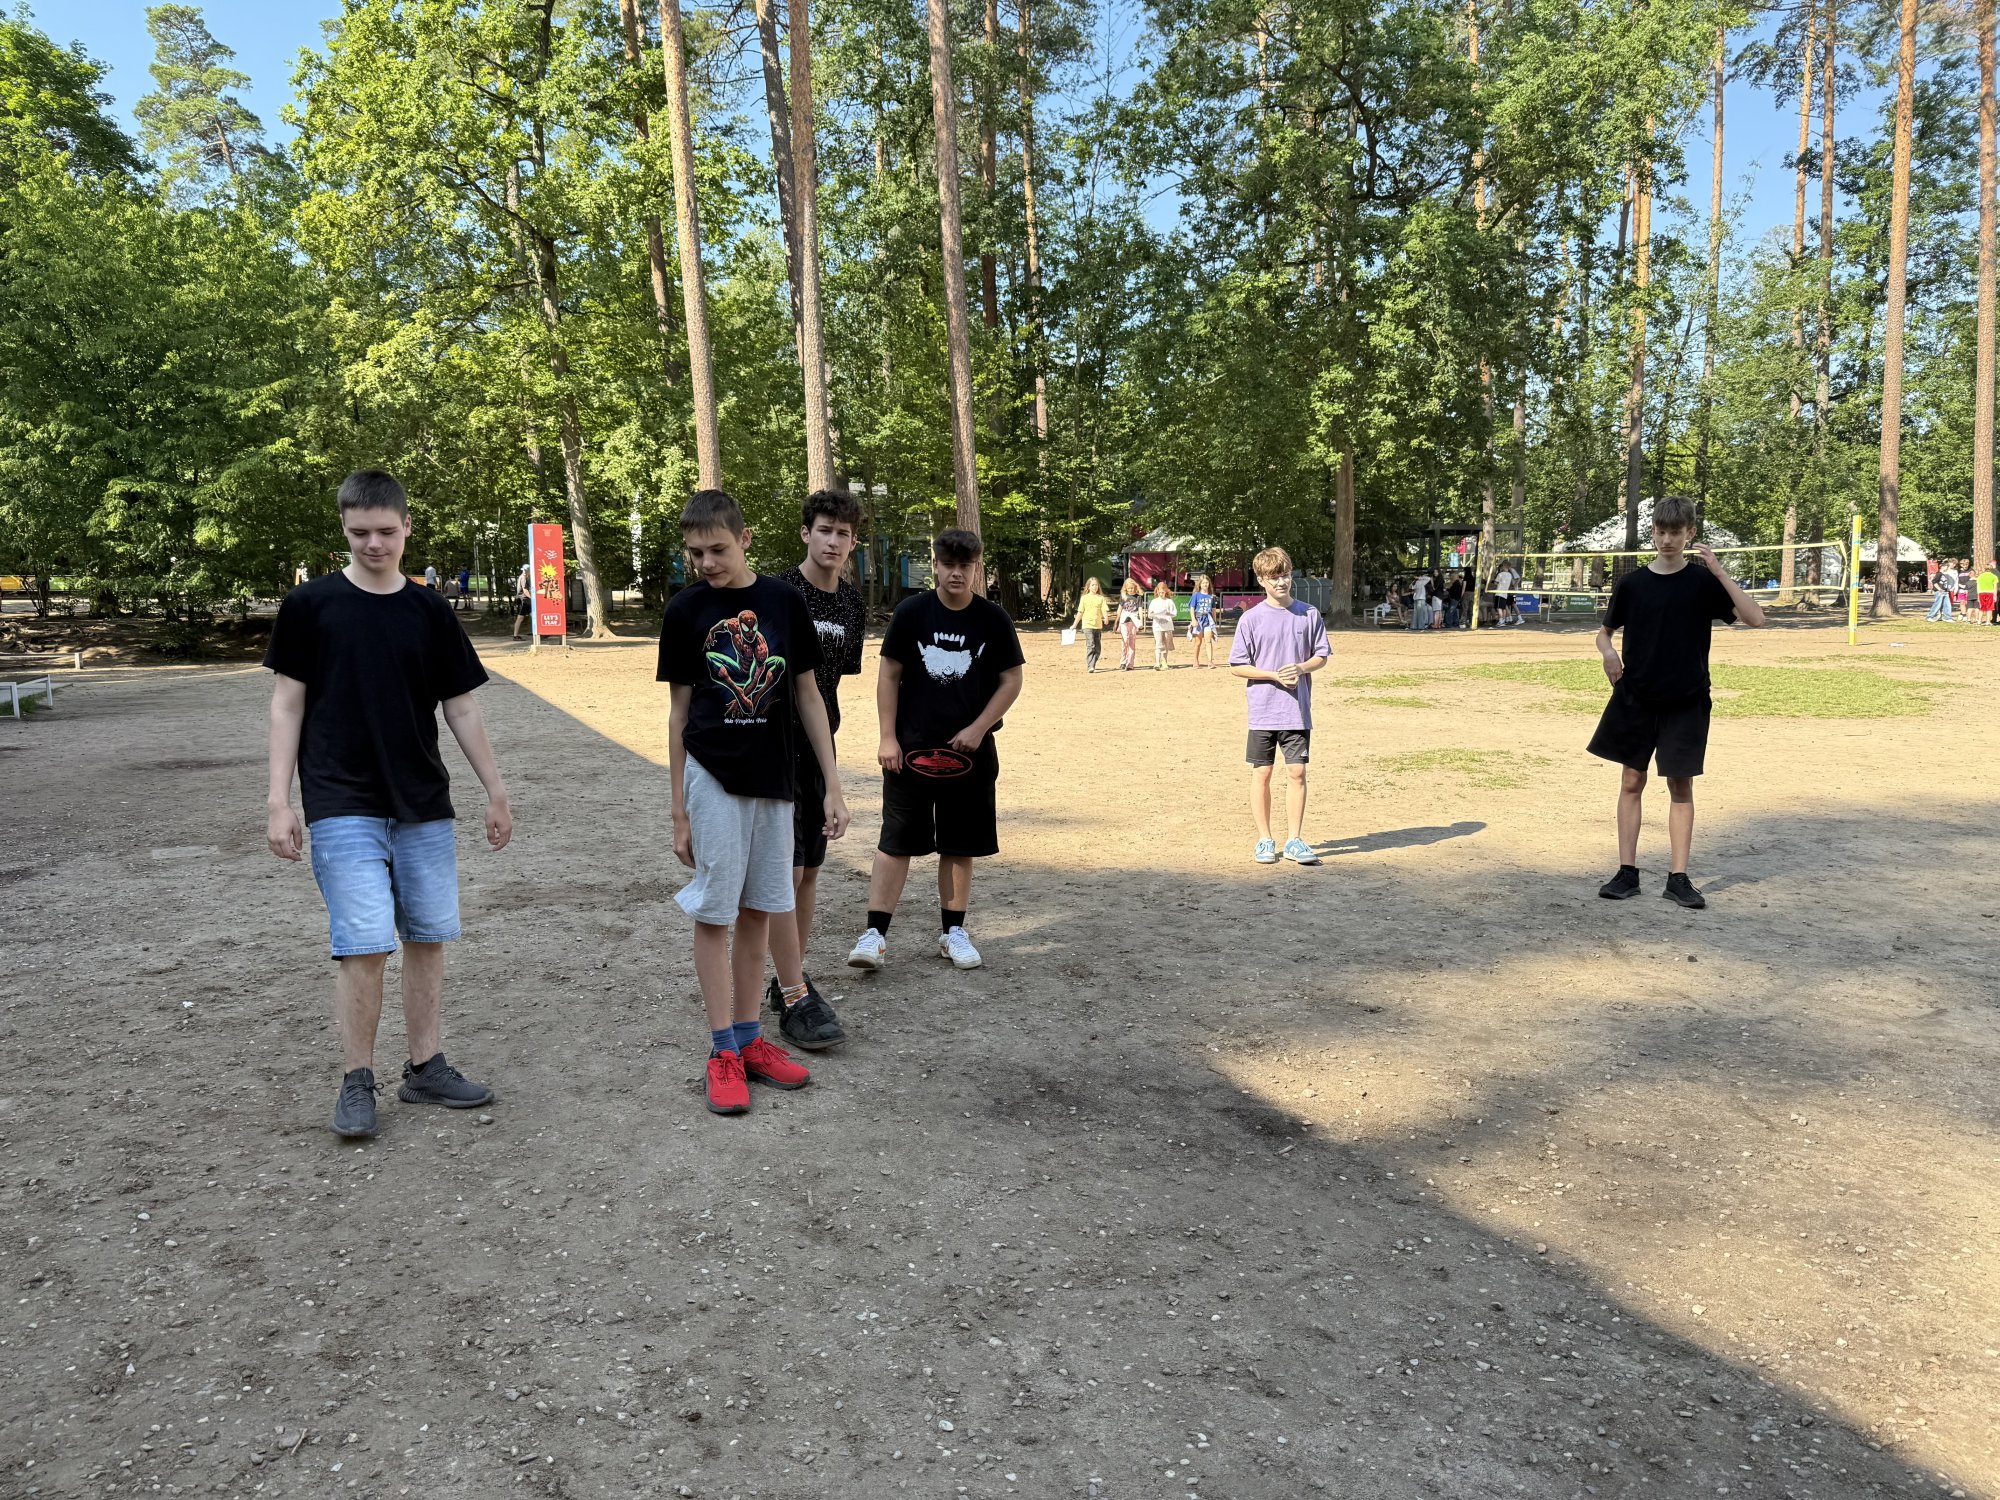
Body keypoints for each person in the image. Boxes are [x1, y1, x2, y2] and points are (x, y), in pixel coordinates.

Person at [263, 469, 512, 1140]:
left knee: (427, 936)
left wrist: (494, 789)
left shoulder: (430, 611)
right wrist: (279, 801)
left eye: (384, 532)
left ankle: (426, 1066)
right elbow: (287, 704)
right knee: (365, 943)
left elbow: (461, 706)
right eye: (359, 533)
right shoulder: (310, 605)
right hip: (341, 799)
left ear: (406, 527)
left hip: (422, 801)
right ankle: (357, 1080)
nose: (373, 544)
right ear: (344, 530)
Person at [662, 489, 849, 1116]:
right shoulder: (685, 610)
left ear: (744, 539)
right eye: (695, 553)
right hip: (713, 778)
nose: (707, 563)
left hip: (777, 781)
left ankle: (749, 1041)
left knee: (759, 911)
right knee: (715, 913)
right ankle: (722, 1050)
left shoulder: (782, 602)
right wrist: (679, 811)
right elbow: (678, 716)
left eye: (717, 549)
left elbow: (808, 696)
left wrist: (832, 784)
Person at [846, 529, 1025, 975]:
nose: (956, 573)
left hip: (971, 754)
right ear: (937, 564)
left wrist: (979, 728)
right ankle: (875, 935)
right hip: (909, 752)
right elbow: (889, 676)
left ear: (976, 567)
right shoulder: (912, 613)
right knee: (895, 841)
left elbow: (1011, 680)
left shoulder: (993, 619)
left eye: (965, 566)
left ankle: (953, 932)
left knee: (960, 843)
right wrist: (887, 737)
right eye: (949, 565)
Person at [1589, 494, 1768, 910]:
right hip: (1636, 697)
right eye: (1661, 531)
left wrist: (1719, 571)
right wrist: (1608, 653)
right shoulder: (1632, 583)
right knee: (1631, 780)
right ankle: (1627, 872)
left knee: (1680, 785)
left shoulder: (1703, 582)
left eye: (1676, 532)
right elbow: (1604, 632)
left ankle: (1679, 878)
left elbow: (1756, 618)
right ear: (1653, 532)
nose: (1668, 539)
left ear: (1690, 533)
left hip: (1687, 700)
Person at [768, 488, 867, 1051]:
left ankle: (791, 979)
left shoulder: (851, 604)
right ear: (806, 533)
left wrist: (832, 777)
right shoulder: (779, 593)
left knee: (809, 872)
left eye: (843, 534)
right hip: (774, 750)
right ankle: (792, 990)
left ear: (853, 542)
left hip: (820, 747)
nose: (833, 541)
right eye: (824, 530)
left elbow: (829, 686)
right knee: (785, 873)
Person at [1229, 545, 1331, 866]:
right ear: (1261, 580)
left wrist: (1301, 667)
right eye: (1274, 577)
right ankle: (1264, 839)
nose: (1281, 582)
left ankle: (1295, 840)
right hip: (1263, 710)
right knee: (1263, 773)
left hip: (1296, 711)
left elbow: (1321, 655)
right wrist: (1272, 675)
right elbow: (1237, 665)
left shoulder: (1309, 614)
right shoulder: (1251, 619)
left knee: (1297, 771)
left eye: (1285, 575)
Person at [1070, 577, 1112, 673]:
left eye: (1096, 585)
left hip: (1098, 626)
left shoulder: (1101, 598)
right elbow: (1080, 612)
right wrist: (1074, 625)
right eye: (1093, 585)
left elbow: (1104, 610)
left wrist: (1106, 618)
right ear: (1088, 587)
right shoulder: (1084, 598)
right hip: (1087, 625)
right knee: (1091, 645)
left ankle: (1093, 662)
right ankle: (1091, 666)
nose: (1095, 587)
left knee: (1098, 649)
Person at [1188, 574, 1219, 666]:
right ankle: (1195, 660)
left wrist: (1214, 621)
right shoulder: (1196, 595)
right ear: (1200, 584)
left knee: (1208, 640)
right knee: (1198, 642)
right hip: (1198, 619)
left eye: (1207, 583)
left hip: (1208, 620)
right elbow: (1192, 608)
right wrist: (1193, 620)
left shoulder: (1211, 596)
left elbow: (1213, 610)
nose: (1205, 584)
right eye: (1203, 583)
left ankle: (1210, 661)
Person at [1115, 578, 1145, 670]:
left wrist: (1141, 622)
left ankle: (1130, 663)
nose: (1131, 590)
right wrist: (1116, 622)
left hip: (1133, 621)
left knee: (1132, 642)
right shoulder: (1123, 597)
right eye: (1129, 588)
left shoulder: (1138, 597)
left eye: (1132, 588)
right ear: (1126, 589)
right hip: (1124, 621)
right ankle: (1123, 661)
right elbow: (1119, 610)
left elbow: (1140, 610)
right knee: (1125, 641)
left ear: (1135, 587)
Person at [1148, 580, 1178, 669]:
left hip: (1167, 625)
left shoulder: (1169, 601)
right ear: (1157, 591)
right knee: (1158, 643)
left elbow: (1174, 613)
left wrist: (1168, 613)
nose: (1161, 594)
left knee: (1166, 644)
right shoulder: (1154, 601)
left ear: (1166, 591)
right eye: (1159, 592)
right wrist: (1154, 614)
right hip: (1157, 626)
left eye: (1163, 592)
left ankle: (1164, 661)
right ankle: (1157, 662)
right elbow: (1149, 614)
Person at [510, 562, 532, 641]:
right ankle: (515, 636)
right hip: (524, 599)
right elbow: (525, 590)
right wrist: (532, 598)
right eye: (525, 570)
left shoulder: (523, 577)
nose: (525, 571)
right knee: (520, 618)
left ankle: (536, 631)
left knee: (532, 615)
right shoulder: (523, 578)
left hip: (522, 599)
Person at [1979, 560, 1999, 625]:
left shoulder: (1980, 576)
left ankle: (1979, 621)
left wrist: (1978, 594)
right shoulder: (1994, 576)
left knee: (1982, 607)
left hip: (1981, 592)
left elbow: (1978, 586)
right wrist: (1995, 595)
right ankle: (1988, 621)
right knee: (1990, 608)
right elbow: (1995, 587)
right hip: (1990, 592)